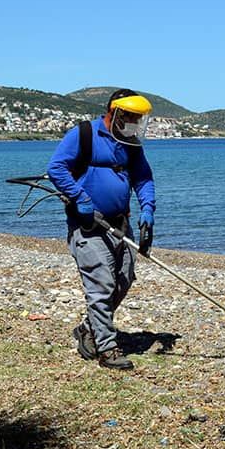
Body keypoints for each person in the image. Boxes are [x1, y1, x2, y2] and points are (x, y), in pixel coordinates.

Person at [47, 89, 155, 370]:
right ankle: (107, 349)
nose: (135, 123)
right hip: (89, 225)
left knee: (124, 279)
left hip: (120, 224)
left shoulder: (131, 143)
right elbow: (56, 168)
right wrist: (80, 197)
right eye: (131, 117)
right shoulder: (83, 134)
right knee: (101, 285)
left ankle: (89, 328)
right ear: (114, 113)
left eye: (138, 118)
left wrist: (148, 209)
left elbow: (143, 178)